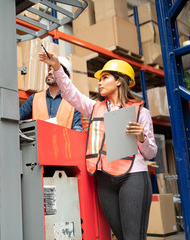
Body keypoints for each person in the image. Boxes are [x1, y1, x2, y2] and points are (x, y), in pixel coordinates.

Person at [39, 51, 158, 240]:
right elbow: (70, 92)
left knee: (133, 236)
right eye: (99, 79)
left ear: (119, 81)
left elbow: (151, 153)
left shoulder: (140, 112)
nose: (99, 82)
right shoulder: (94, 108)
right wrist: (56, 67)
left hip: (132, 178)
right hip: (105, 180)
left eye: (105, 77)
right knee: (121, 235)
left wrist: (142, 138)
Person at [19, 56, 83, 131]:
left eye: (54, 70)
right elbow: (16, 117)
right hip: (39, 142)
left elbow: (77, 131)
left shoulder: (73, 103)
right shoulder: (35, 98)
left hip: (62, 142)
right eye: (49, 69)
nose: (49, 72)